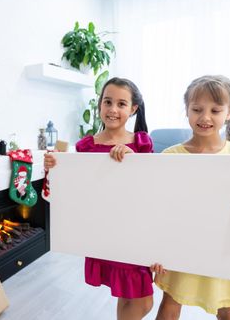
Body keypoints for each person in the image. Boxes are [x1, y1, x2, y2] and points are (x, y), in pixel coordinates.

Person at [150, 75, 230, 320]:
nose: (205, 117)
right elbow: (160, 208)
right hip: (183, 244)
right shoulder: (171, 156)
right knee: (171, 301)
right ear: (187, 110)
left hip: (225, 248)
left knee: (227, 307)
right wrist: (156, 249)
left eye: (215, 110)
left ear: (229, 112)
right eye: (197, 109)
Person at [44, 77, 154, 320]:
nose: (113, 110)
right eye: (108, 102)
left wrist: (133, 157)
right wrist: (55, 168)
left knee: (138, 298)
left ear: (133, 109)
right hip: (105, 230)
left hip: (135, 230)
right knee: (134, 297)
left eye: (121, 104)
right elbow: (76, 190)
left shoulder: (141, 143)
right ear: (100, 105)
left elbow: (151, 186)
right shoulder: (86, 146)